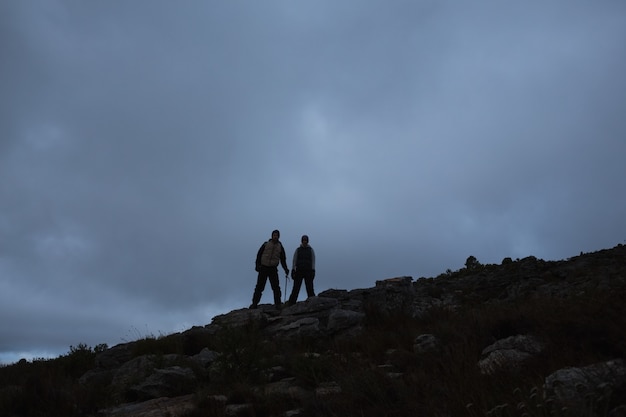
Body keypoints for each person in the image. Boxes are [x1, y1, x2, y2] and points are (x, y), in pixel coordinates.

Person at [250, 230, 289, 309]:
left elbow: (283, 259)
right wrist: (257, 265)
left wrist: (286, 269)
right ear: (272, 236)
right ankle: (254, 304)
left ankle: (278, 304)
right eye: (274, 235)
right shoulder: (265, 244)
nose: (275, 236)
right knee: (259, 287)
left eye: (277, 235)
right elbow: (259, 255)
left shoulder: (280, 246)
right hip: (263, 268)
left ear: (279, 236)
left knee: (276, 287)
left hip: (273, 269)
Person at [287, 234, 316, 306]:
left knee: (310, 287)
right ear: (302, 241)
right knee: (296, 288)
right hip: (299, 271)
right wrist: (293, 269)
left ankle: (313, 302)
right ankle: (291, 303)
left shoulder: (311, 250)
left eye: (306, 240)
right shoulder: (298, 250)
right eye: (303, 240)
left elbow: (313, 260)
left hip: (308, 271)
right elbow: (294, 260)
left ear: (307, 241)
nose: (305, 242)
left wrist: (313, 270)